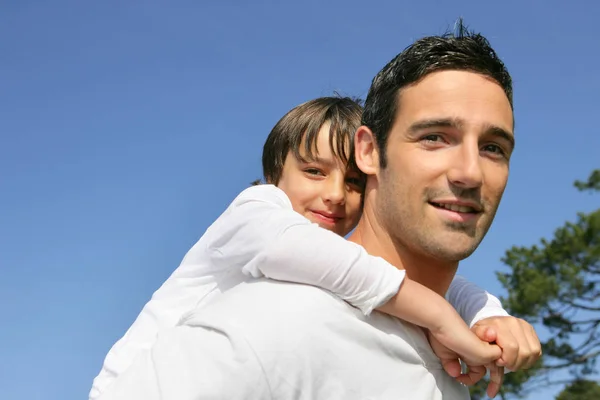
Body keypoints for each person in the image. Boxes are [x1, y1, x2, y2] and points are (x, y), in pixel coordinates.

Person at [95, 24, 542, 400]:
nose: (468, 172)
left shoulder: (448, 355)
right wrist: (442, 314)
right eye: (434, 137)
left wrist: (484, 314)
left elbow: (447, 289)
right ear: (370, 152)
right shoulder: (275, 322)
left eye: (492, 147)